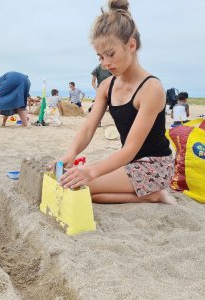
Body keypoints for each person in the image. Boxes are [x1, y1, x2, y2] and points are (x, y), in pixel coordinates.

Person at [54, 0, 176, 205]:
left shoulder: (151, 88)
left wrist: (91, 171)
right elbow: (87, 129)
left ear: (131, 45)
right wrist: (71, 153)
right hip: (128, 164)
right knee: (83, 189)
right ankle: (152, 195)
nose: (105, 63)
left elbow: (130, 149)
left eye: (110, 54)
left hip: (155, 166)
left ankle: (155, 191)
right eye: (100, 57)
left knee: (79, 185)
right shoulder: (107, 86)